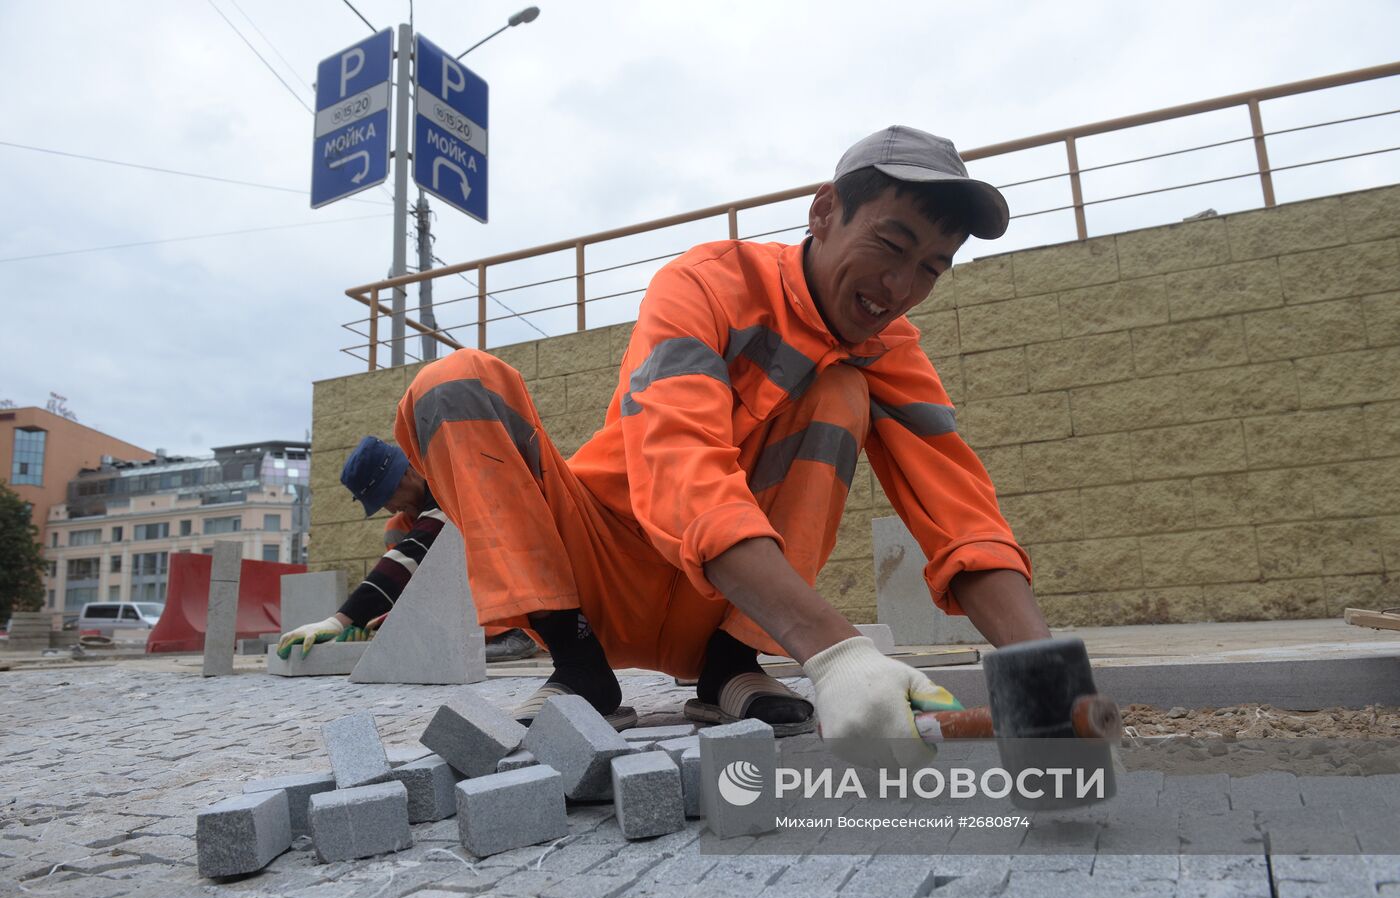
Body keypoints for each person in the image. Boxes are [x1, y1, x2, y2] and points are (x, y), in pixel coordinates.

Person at [395, 127, 1052, 764]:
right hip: (598, 566)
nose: (899, 287)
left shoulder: (887, 350)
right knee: (453, 382)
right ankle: (579, 668)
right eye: (890, 244)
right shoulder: (705, 285)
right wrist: (836, 652)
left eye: (931, 268)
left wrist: (1045, 675)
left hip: (719, 604)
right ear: (824, 211)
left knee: (839, 392)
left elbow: (959, 511)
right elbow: (681, 464)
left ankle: (730, 667)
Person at [276, 436, 540, 663]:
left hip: (522, 585)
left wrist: (341, 619)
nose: (390, 509)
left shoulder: (449, 487)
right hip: (466, 624)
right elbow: (409, 581)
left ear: (407, 474)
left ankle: (515, 631)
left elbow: (412, 553)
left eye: (387, 498)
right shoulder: (399, 527)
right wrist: (384, 618)